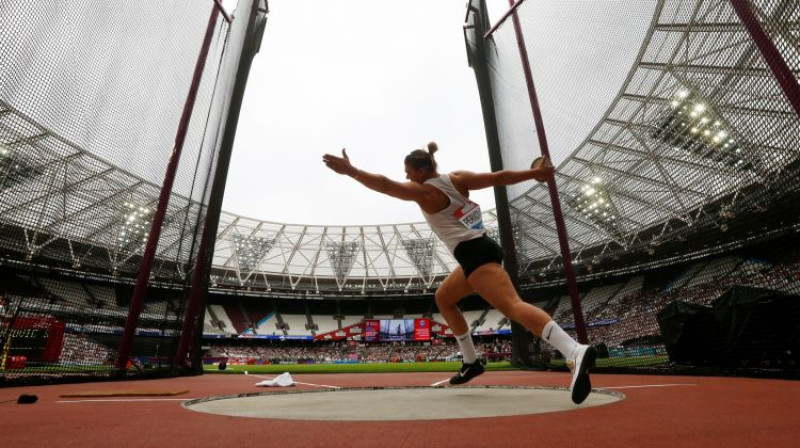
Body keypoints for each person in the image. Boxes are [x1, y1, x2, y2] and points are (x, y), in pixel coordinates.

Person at [323, 142, 597, 404]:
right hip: (477, 251)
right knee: (444, 298)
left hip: (474, 253)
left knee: (513, 306)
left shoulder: (426, 193)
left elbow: (385, 185)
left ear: (420, 171)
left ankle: (574, 349)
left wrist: (353, 172)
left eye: (408, 172)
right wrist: (535, 173)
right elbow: (500, 177)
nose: (405, 177)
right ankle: (471, 361)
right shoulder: (458, 178)